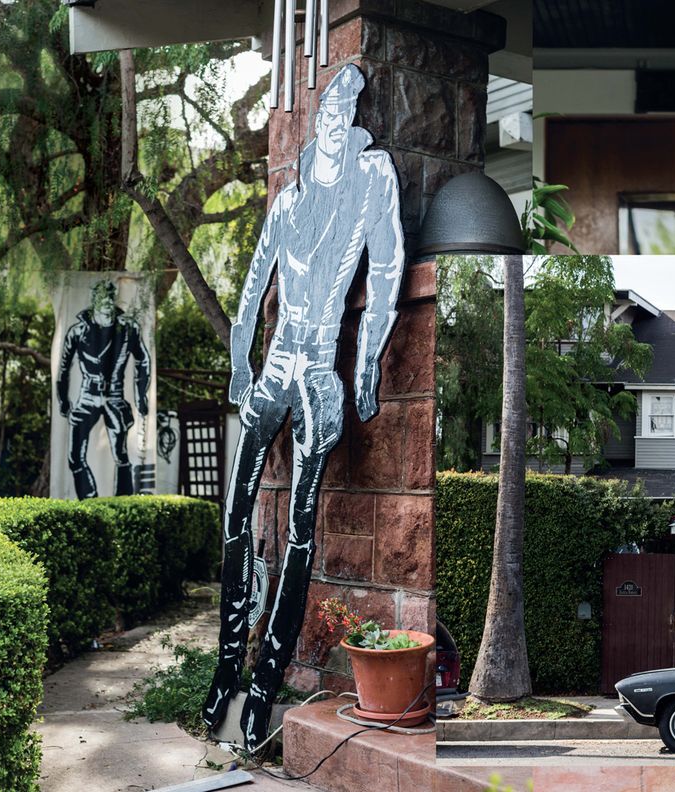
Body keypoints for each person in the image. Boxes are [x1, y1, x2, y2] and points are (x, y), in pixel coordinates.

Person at [202, 64, 405, 748]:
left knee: (300, 531)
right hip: (276, 360)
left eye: (344, 112)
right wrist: (238, 359)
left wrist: (370, 361)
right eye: (324, 111)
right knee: (234, 515)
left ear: (352, 125)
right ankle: (227, 666)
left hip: (322, 365)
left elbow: (385, 274)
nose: (330, 120)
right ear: (316, 121)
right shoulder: (287, 202)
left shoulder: (371, 184)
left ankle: (264, 685)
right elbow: (253, 282)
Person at [56, 279, 151, 499]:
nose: (107, 301)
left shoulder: (128, 328)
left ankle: (123, 503)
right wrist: (63, 399)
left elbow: (143, 360)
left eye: (110, 296)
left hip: (115, 394)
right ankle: (89, 501)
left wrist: (140, 396)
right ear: (94, 301)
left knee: (121, 455)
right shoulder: (78, 331)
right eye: (102, 297)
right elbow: (63, 368)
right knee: (74, 457)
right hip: (87, 396)